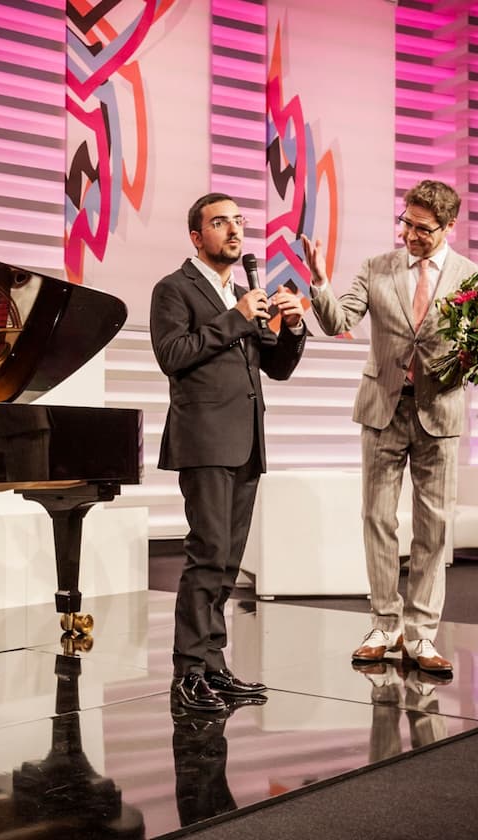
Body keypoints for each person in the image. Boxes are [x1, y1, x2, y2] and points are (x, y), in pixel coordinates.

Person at [302, 178, 478, 674]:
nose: (410, 235)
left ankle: (422, 635)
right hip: (383, 408)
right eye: (406, 222)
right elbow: (339, 322)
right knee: (378, 519)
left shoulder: (471, 279)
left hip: (437, 412)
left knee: (434, 527)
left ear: (448, 227)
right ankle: (384, 623)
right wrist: (319, 283)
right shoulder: (377, 268)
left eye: (423, 229)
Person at [152, 192, 306, 712]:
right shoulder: (174, 289)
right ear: (197, 236)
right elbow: (173, 355)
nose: (235, 231)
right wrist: (237, 318)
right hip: (204, 439)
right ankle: (187, 673)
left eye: (239, 222)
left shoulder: (246, 292)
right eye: (221, 223)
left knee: (229, 561)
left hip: (245, 441)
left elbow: (276, 368)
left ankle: (214, 668)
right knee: (208, 553)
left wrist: (294, 326)